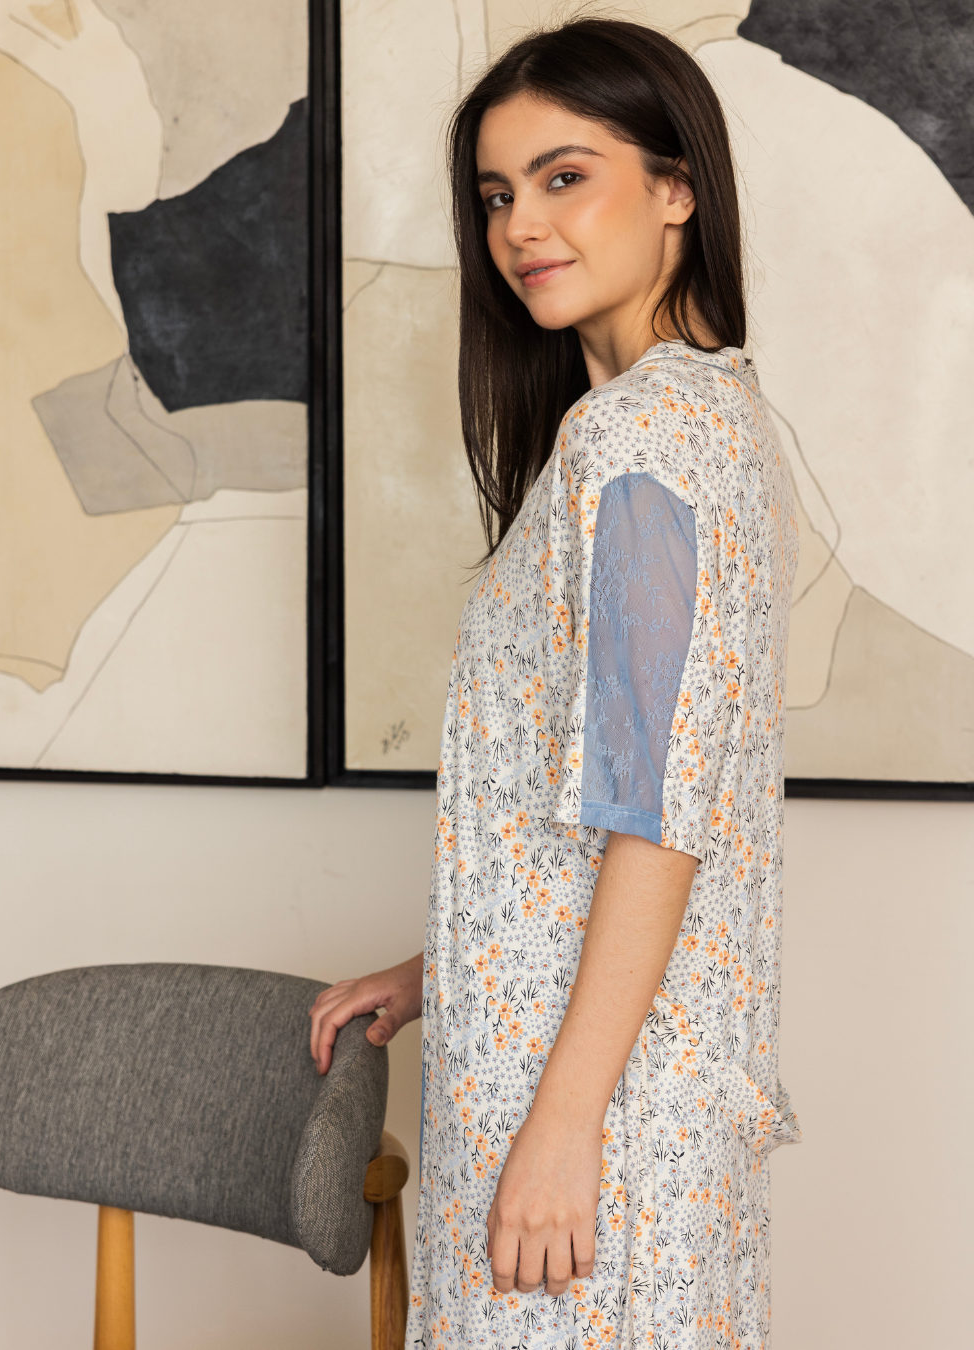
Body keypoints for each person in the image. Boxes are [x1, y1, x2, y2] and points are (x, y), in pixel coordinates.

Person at [310, 18, 801, 1349]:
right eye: (496, 194)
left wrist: (564, 1125)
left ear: (677, 187)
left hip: (595, 1109)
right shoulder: (706, 417)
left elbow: (656, 818)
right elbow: (612, 805)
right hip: (612, 1079)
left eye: (564, 176)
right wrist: (442, 966)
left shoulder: (641, 444)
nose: (520, 225)